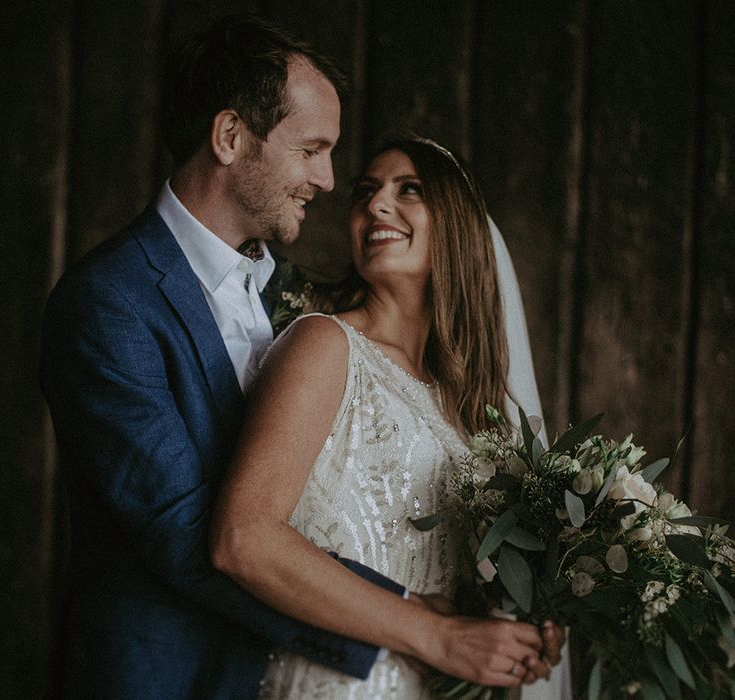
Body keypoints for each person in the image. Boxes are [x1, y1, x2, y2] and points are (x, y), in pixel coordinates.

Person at [41, 14, 419, 699]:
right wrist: (412, 624)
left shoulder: (299, 302)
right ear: (229, 137)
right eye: (311, 149)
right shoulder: (106, 303)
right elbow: (189, 536)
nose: (328, 179)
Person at [210, 135, 570, 698]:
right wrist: (436, 635)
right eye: (366, 193)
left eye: (410, 191)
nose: (376, 205)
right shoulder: (324, 345)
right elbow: (243, 537)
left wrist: (508, 635)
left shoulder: (473, 410)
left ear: (457, 225)